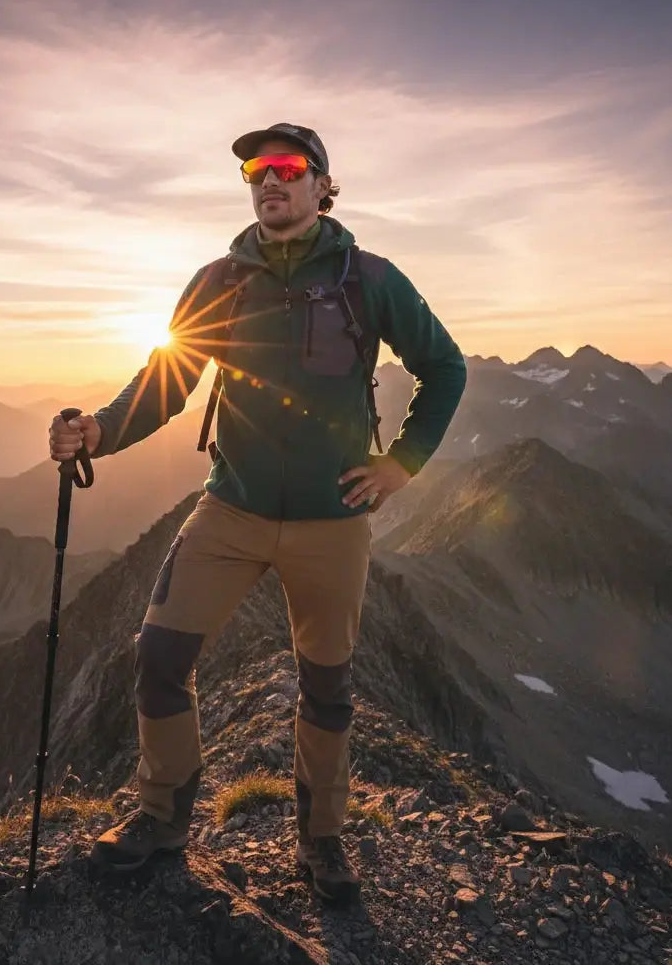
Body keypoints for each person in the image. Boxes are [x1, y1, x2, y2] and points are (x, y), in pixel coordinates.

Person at [48, 123, 467, 902]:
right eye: (254, 170)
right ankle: (163, 820)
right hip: (231, 509)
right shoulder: (219, 279)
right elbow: (165, 382)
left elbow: (445, 367)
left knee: (328, 687)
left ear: (322, 185)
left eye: (286, 167)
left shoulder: (368, 278)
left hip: (333, 521)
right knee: (159, 659)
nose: (267, 180)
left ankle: (322, 842)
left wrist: (401, 464)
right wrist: (98, 432)